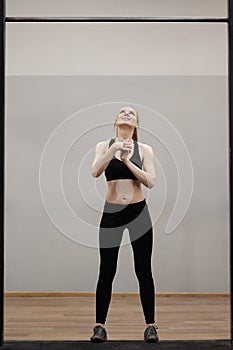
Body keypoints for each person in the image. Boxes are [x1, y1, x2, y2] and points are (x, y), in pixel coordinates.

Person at [90, 106, 159, 343]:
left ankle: (151, 326)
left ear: (136, 124)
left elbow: (150, 181)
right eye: (122, 112)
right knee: (106, 270)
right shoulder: (103, 145)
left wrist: (128, 161)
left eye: (131, 113)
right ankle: (99, 326)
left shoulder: (145, 149)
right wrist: (113, 150)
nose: (126, 113)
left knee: (143, 270)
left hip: (138, 212)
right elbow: (95, 172)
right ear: (116, 121)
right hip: (112, 214)